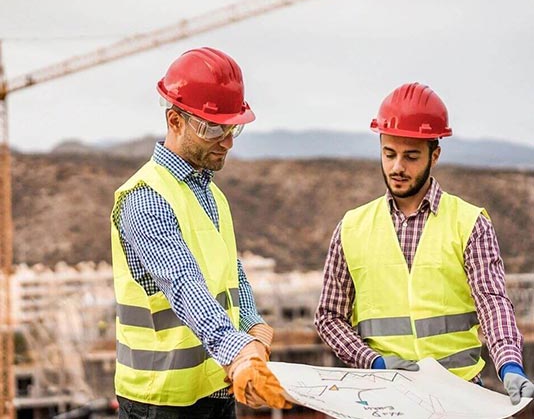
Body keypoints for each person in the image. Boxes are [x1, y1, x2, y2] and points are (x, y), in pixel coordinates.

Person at [314, 82, 534, 406]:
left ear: (435, 155)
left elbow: (493, 304)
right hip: (382, 399)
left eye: (411, 156)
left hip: (459, 399)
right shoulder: (351, 227)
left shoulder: (470, 224)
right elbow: (329, 317)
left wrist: (510, 365)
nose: (397, 167)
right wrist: (371, 360)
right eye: (389, 154)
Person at [111, 47, 291, 418]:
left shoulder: (212, 195)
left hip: (215, 389)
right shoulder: (146, 198)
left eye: (232, 126)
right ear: (175, 120)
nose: (227, 140)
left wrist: (253, 325)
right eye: (213, 127)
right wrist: (238, 353)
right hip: (160, 402)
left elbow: (231, 272)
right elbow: (183, 283)